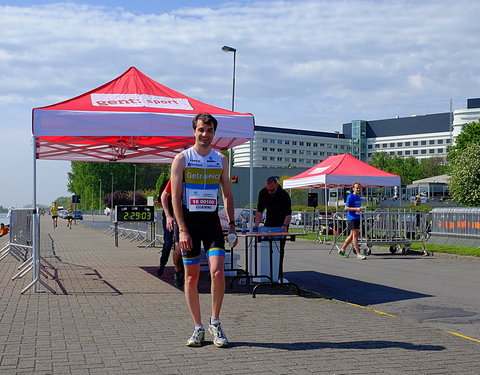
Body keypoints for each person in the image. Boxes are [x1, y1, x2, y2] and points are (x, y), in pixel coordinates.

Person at [171, 113, 238, 348]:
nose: (205, 134)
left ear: (214, 132)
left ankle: (215, 323)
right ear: (194, 131)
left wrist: (231, 225)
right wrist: (182, 230)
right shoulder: (182, 158)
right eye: (201, 130)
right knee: (191, 277)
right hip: (189, 224)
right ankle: (198, 327)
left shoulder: (220, 159)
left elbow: (227, 194)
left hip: (211, 223)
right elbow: (175, 196)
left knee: (218, 272)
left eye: (209, 130)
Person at [253, 176, 292, 280]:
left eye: (272, 190)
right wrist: (256, 225)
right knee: (265, 247)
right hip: (268, 224)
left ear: (276, 185)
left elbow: (288, 214)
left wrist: (284, 225)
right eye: (268, 189)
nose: (270, 192)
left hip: (281, 224)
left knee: (279, 250)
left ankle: (278, 274)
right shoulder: (263, 192)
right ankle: (265, 272)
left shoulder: (284, 195)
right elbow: (259, 210)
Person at [157, 179, 184, 288]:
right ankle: (162, 264)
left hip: (183, 217)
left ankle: (179, 271)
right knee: (168, 242)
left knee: (180, 244)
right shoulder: (168, 182)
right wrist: (168, 215)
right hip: (170, 217)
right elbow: (161, 199)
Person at [338, 181, 366, 260]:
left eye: (359, 188)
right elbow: (346, 208)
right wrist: (356, 209)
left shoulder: (358, 197)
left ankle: (342, 250)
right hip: (352, 218)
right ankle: (358, 253)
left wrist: (361, 210)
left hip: (357, 217)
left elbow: (357, 208)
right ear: (353, 188)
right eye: (357, 188)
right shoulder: (350, 196)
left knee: (351, 236)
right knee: (355, 236)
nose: (358, 190)